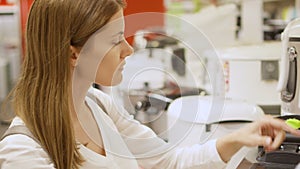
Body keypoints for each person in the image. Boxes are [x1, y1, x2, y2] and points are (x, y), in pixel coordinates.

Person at [0, 0, 299, 169]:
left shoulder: (97, 105)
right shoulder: (23, 152)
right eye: (116, 41)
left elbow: (167, 162)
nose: (128, 51)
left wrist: (238, 138)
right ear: (73, 53)